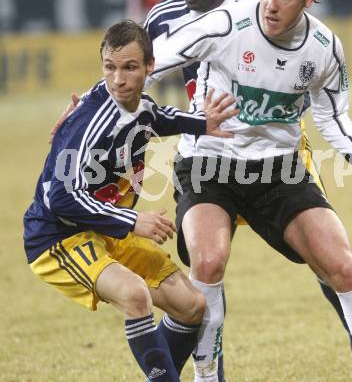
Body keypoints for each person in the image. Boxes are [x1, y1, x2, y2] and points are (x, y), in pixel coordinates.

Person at [146, 0, 352, 381]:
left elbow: (331, 114)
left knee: (342, 266)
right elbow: (149, 66)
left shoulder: (325, 48)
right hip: (210, 164)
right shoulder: (226, 24)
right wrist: (89, 108)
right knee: (207, 262)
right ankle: (207, 376)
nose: (269, 4)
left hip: (278, 172)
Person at [24, 19, 239, 381]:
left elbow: (157, 117)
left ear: (149, 67)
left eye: (129, 68)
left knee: (192, 306)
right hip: (58, 236)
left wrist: (202, 123)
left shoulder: (137, 106)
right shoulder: (91, 125)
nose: (119, 79)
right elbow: (61, 197)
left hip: (107, 229)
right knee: (135, 295)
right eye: (110, 68)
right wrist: (133, 221)